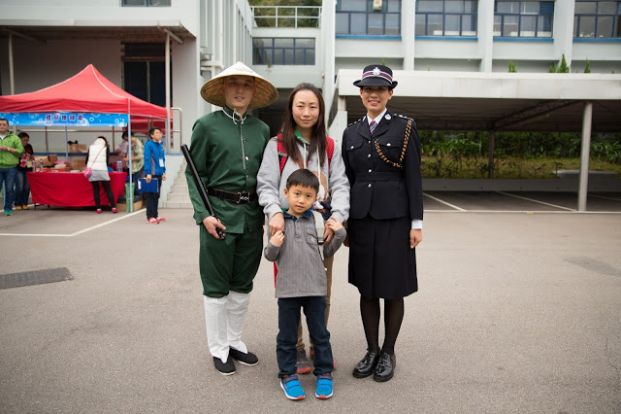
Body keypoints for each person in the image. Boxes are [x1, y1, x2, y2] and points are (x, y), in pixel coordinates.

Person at [185, 61, 277, 376]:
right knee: (216, 286)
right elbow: (193, 172)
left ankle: (235, 341)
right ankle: (218, 348)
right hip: (218, 216)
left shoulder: (262, 130)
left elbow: (268, 177)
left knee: (242, 284)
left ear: (253, 92)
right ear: (224, 89)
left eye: (246, 84)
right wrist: (204, 215)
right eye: (233, 83)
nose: (240, 90)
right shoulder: (206, 125)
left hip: (252, 217)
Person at [257, 83, 350, 374]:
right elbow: (266, 185)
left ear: (321, 111)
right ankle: (295, 347)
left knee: (321, 288)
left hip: (320, 227)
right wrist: (273, 213)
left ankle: (318, 345)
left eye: (313, 106)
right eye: (300, 106)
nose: (307, 112)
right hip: (284, 226)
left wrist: (338, 218)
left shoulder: (330, 146)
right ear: (291, 109)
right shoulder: (277, 145)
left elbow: (341, 185)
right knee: (289, 288)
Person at [342, 64, 423, 382]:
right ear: (360, 93)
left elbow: (413, 176)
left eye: (379, 89)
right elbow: (346, 180)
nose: (373, 94)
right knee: (367, 288)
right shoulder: (351, 132)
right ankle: (371, 350)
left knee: (392, 288)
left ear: (390, 93)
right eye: (367, 88)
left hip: (395, 220)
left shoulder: (404, 127)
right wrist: (344, 220)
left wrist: (416, 222)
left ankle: (389, 351)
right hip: (361, 220)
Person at [264, 169, 346, 401]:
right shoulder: (277, 222)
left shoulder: (318, 221)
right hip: (288, 290)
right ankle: (288, 375)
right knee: (287, 337)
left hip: (315, 290)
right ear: (286, 192)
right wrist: (273, 243)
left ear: (315, 198)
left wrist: (339, 234)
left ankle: (324, 372)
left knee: (320, 335)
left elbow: (327, 251)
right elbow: (269, 256)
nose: (301, 200)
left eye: (308, 196)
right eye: (297, 194)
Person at [85, 136, 118, 214]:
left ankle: (98, 208)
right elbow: (106, 160)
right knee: (108, 189)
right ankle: (113, 207)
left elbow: (86, 160)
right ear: (104, 141)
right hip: (102, 169)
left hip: (92, 170)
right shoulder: (105, 148)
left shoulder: (91, 147)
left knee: (96, 190)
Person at [0, 118, 24, 216]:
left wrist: (8, 148)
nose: (1, 126)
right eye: (0, 124)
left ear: (8, 126)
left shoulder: (14, 138)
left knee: (9, 188)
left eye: (4, 124)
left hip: (11, 167)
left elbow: (20, 151)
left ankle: (8, 208)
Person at [143, 127, 166, 224]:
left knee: (156, 195)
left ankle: (155, 215)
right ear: (152, 135)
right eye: (157, 132)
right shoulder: (149, 145)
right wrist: (148, 172)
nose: (159, 134)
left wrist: (164, 171)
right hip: (151, 174)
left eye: (160, 132)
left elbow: (162, 159)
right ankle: (150, 216)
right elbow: (147, 158)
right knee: (150, 196)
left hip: (159, 173)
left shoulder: (160, 145)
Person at [15, 132, 34, 210]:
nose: (25, 142)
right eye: (24, 140)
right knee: (20, 186)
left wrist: (31, 158)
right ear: (19, 140)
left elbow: (32, 156)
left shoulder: (29, 146)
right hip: (18, 169)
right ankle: (18, 203)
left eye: (27, 140)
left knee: (27, 187)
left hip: (28, 168)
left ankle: (24, 203)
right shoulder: (15, 147)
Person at [123, 132, 144, 198]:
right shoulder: (132, 144)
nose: (126, 141)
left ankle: (138, 199)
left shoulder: (138, 144)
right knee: (132, 182)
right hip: (133, 167)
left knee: (137, 183)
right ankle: (134, 198)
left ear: (130, 136)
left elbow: (140, 156)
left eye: (126, 139)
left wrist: (128, 159)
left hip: (138, 167)